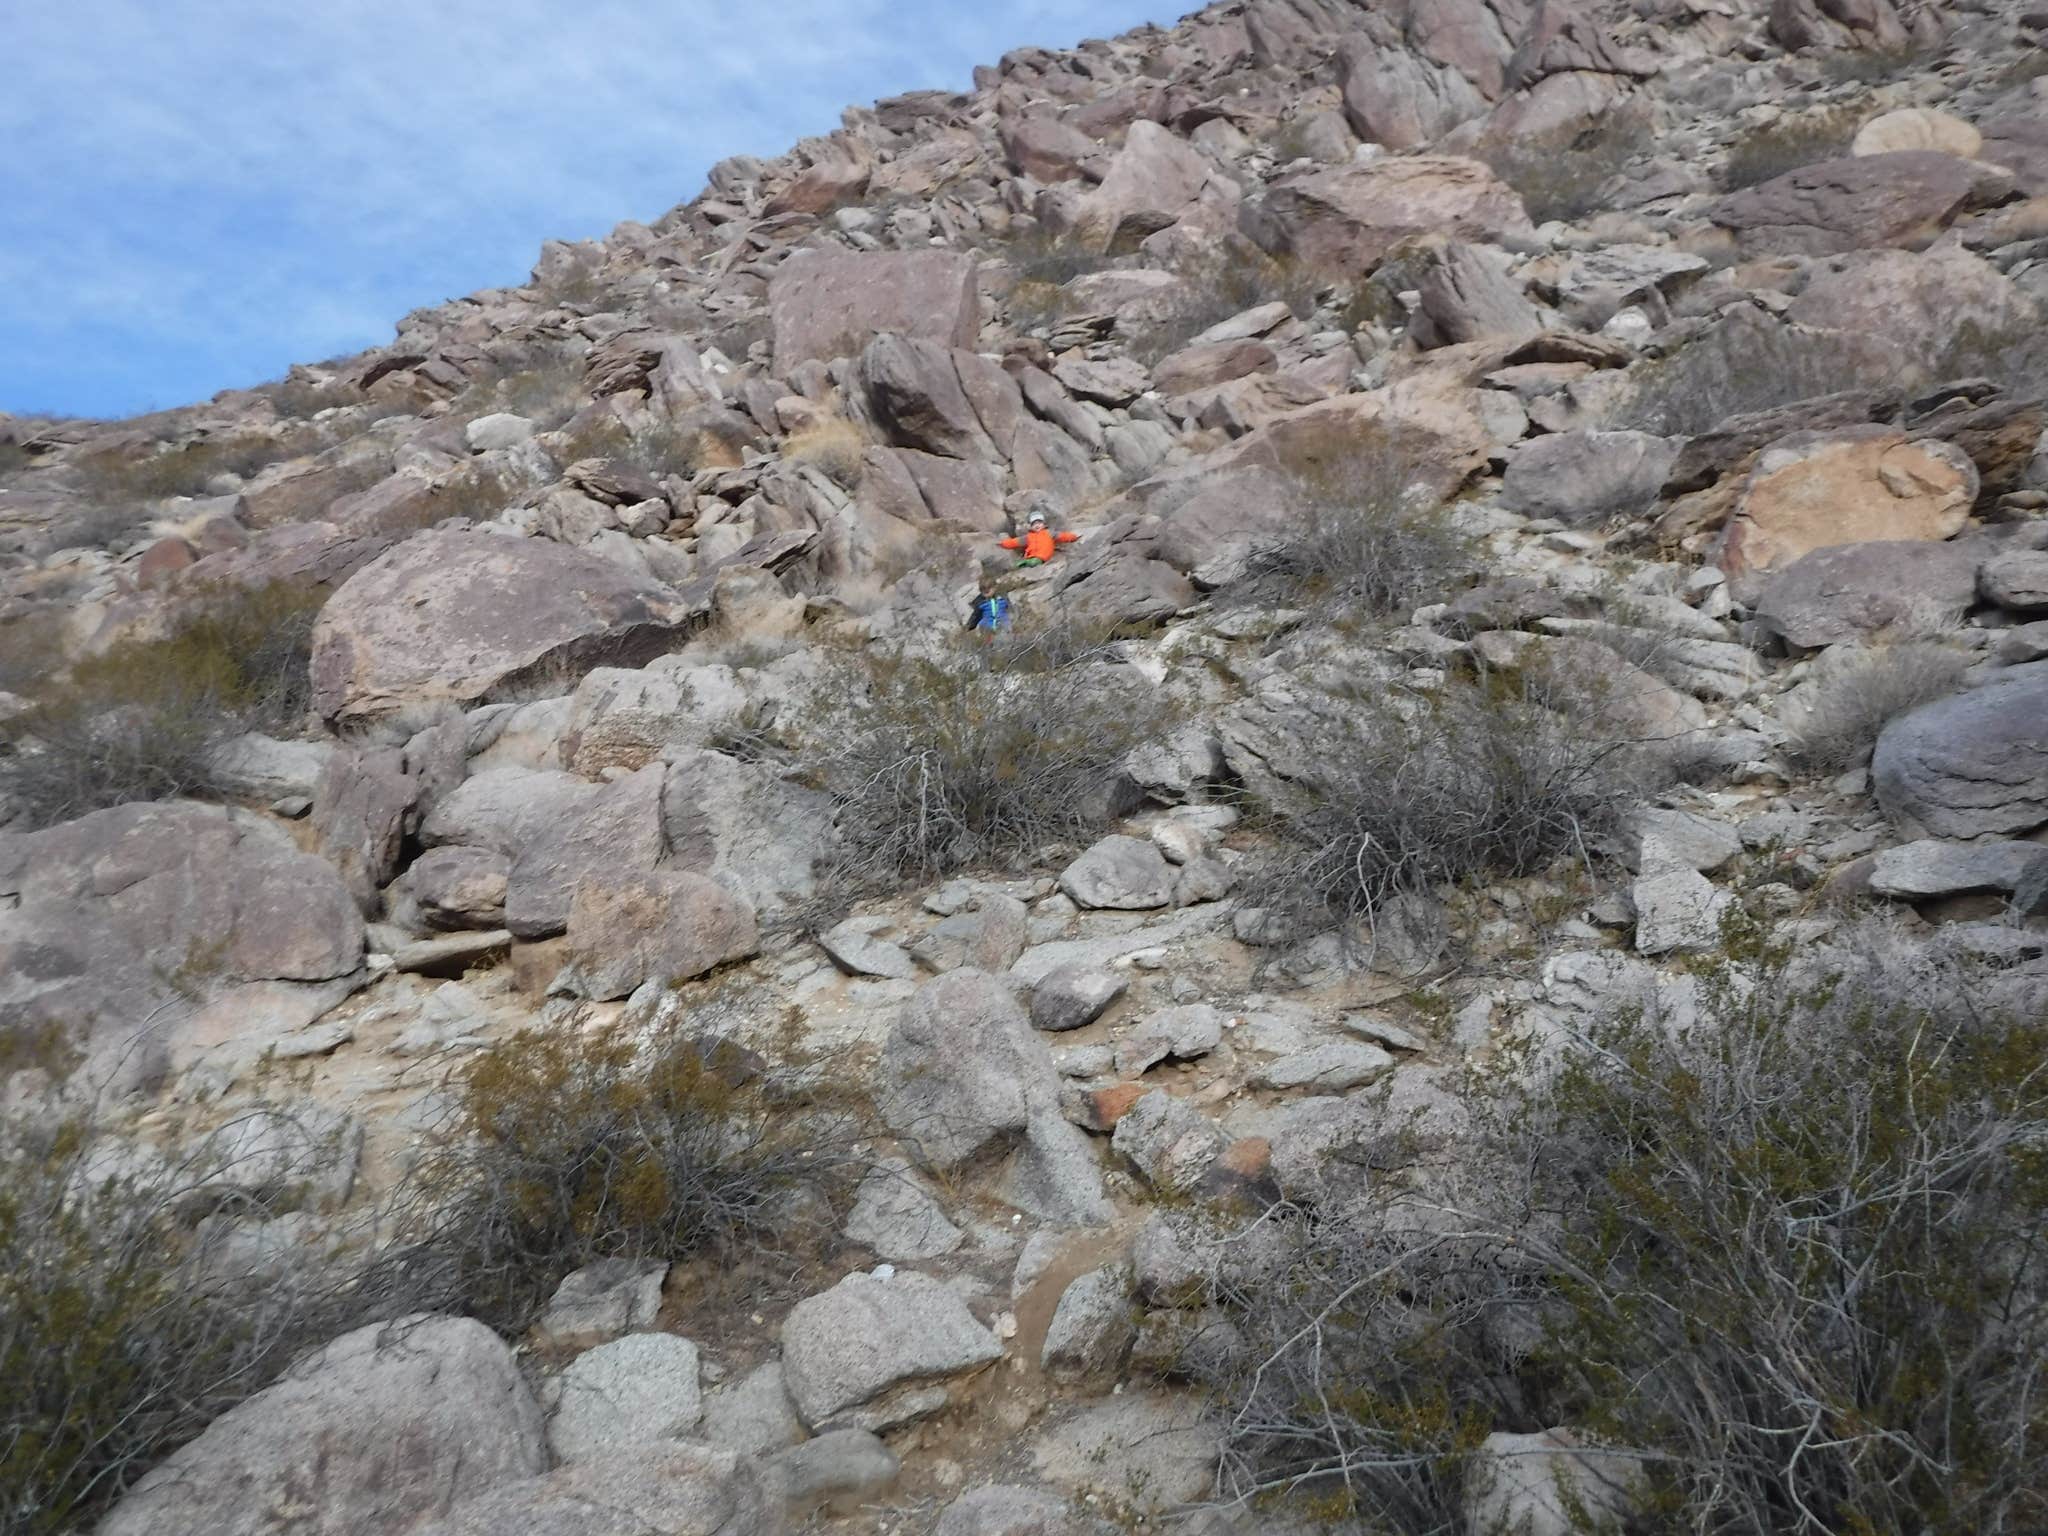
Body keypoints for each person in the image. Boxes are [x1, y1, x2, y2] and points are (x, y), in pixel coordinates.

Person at [999, 510, 1080, 567]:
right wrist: (1003, 544)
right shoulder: (1029, 536)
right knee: (1021, 564)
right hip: (1031, 556)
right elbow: (1016, 542)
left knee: (1034, 562)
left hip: (1042, 556)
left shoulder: (1049, 533)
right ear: (1031, 526)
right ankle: (1022, 564)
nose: (1037, 525)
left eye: (1039, 523)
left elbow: (1062, 536)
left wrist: (1074, 537)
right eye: (1034, 524)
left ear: (1043, 524)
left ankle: (1027, 563)